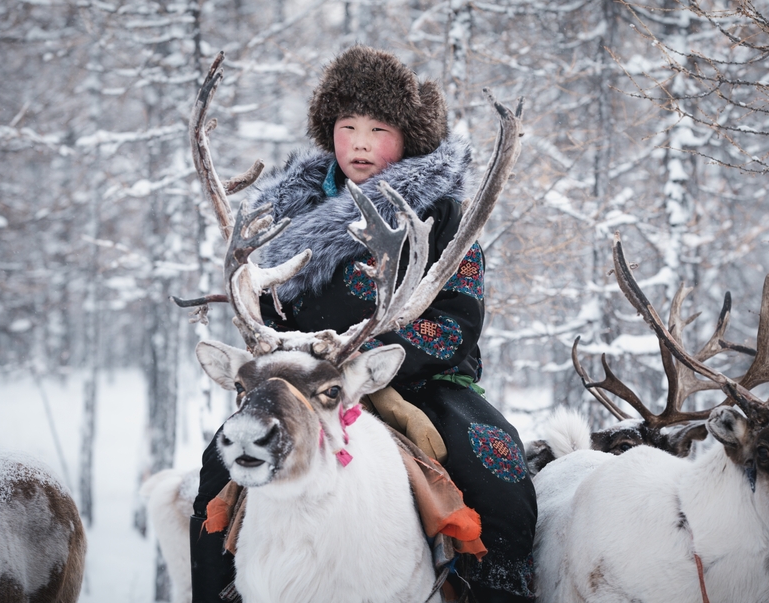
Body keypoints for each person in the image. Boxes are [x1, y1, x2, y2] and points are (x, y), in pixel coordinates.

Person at [190, 45, 537, 602]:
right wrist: (281, 345)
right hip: (302, 382)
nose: (359, 142)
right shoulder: (284, 212)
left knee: (499, 477)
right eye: (346, 126)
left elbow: (455, 323)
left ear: (408, 138)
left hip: (421, 381)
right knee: (217, 473)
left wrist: (370, 362)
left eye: (378, 128)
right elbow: (266, 308)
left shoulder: (443, 213)